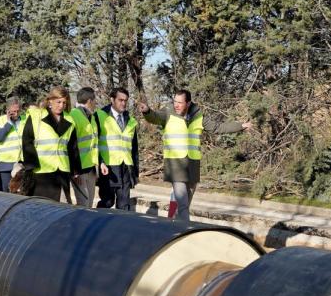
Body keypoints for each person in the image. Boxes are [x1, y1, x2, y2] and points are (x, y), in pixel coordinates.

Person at [139, 88, 251, 222]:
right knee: (183, 201)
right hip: (175, 163)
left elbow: (218, 127)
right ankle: (184, 228)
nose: (176, 105)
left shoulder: (198, 115)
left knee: (186, 196)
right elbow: (155, 117)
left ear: (188, 103)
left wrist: (241, 126)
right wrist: (147, 111)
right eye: (175, 101)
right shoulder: (168, 112)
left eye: (180, 102)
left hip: (192, 162)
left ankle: (171, 220)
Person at [21, 87, 81, 202]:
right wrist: (31, 165)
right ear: (50, 101)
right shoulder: (36, 116)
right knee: (41, 206)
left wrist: (75, 170)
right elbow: (27, 141)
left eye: (64, 102)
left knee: (62, 207)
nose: (61, 105)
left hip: (62, 171)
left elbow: (72, 147)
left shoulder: (70, 120)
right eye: (58, 102)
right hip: (41, 172)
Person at [96, 87, 139, 210]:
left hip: (126, 167)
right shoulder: (99, 116)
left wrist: (135, 172)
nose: (123, 103)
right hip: (108, 167)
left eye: (126, 100)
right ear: (112, 99)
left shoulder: (131, 121)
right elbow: (94, 143)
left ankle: (122, 228)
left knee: (124, 205)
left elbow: (134, 148)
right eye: (120, 100)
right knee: (107, 202)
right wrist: (100, 162)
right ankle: (100, 226)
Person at [67, 87, 100, 207]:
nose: (95, 103)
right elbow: (70, 145)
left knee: (89, 204)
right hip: (79, 171)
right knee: (83, 204)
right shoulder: (73, 116)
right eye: (95, 100)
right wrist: (74, 171)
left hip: (90, 168)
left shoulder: (91, 117)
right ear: (90, 101)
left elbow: (94, 143)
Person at [0, 99, 25, 192]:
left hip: (20, 162)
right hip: (6, 163)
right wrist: (9, 123)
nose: (17, 113)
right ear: (7, 110)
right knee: (5, 192)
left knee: (20, 191)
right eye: (14, 111)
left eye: (18, 111)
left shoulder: (24, 120)